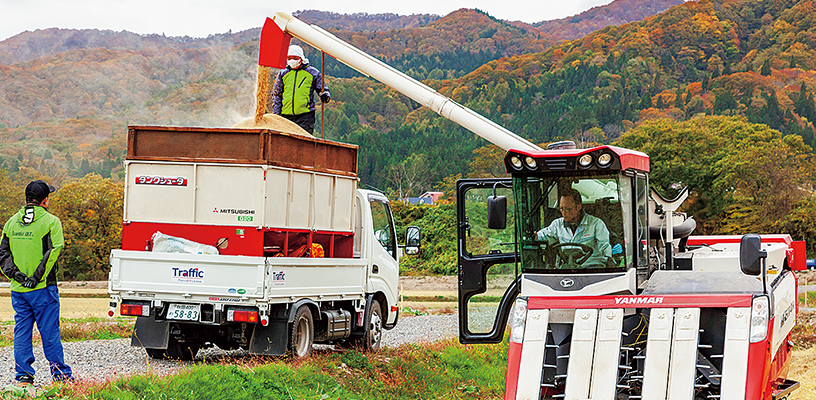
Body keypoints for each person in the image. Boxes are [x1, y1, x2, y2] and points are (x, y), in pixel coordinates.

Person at [0, 180, 72, 385]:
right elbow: (53, 251)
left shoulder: (12, 222)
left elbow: (3, 254)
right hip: (43, 289)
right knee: (49, 332)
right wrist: (35, 279)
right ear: (45, 200)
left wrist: (18, 277)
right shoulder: (51, 221)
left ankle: (23, 377)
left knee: (22, 332)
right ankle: (61, 377)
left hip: (18, 290)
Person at [537, 188, 612, 267]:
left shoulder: (596, 224)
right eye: (561, 209)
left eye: (567, 209)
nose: (563, 213)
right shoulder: (557, 224)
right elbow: (544, 235)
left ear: (579, 207)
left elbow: (605, 247)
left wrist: (609, 259)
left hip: (591, 269)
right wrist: (534, 236)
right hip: (567, 268)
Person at [271, 45, 331, 134]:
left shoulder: (313, 73)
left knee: (303, 143)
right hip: (285, 116)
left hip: (305, 117)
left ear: (301, 58)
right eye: (289, 58)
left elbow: (322, 89)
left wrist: (325, 96)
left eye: (295, 58)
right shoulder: (283, 73)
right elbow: (277, 94)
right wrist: (277, 114)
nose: (292, 61)